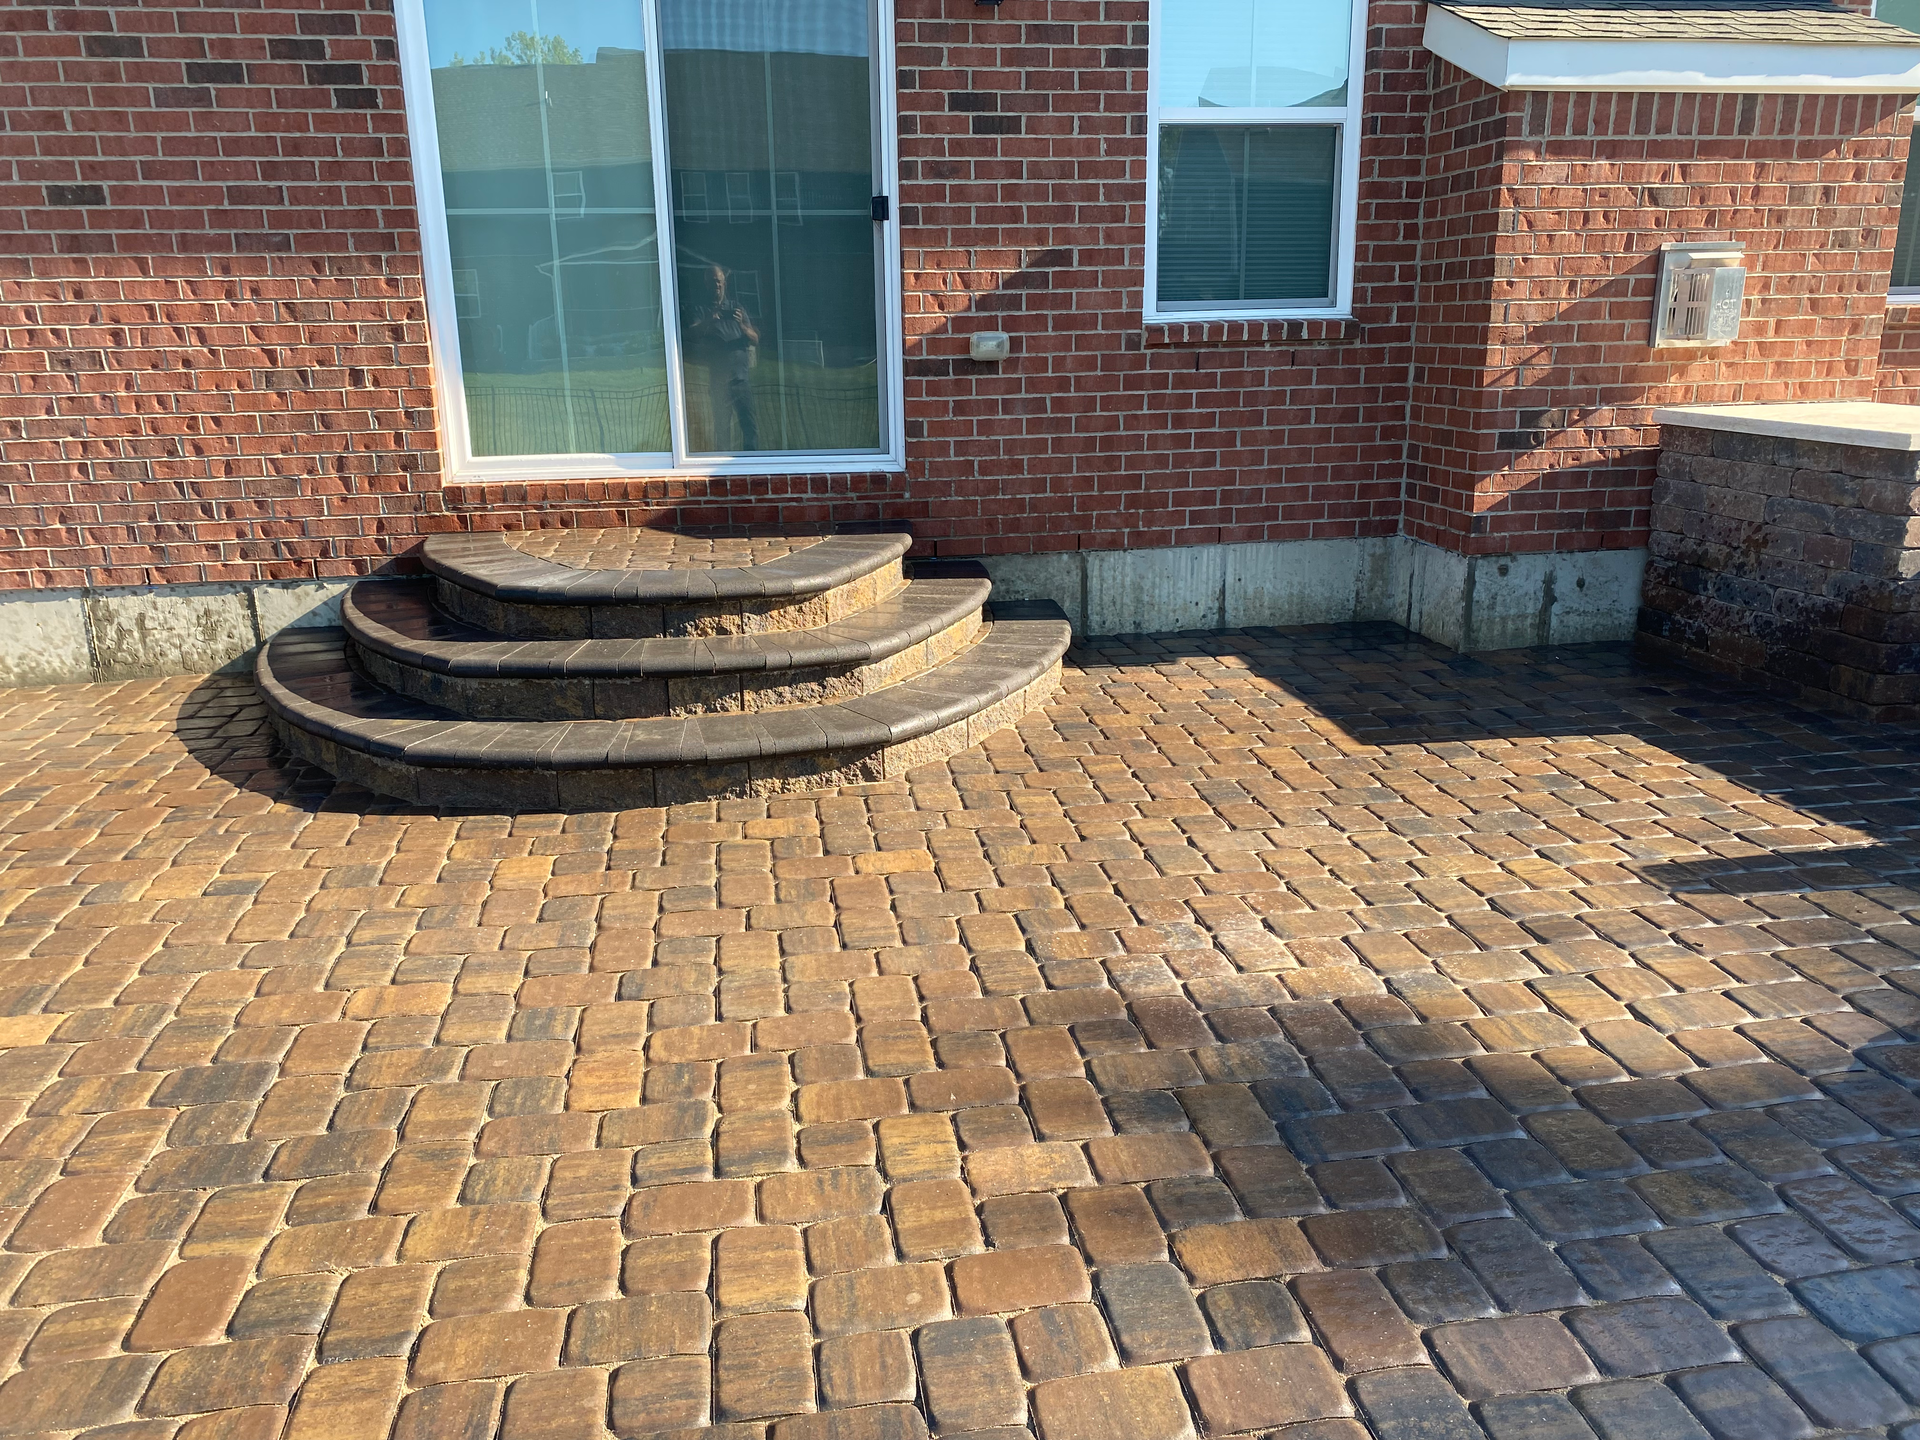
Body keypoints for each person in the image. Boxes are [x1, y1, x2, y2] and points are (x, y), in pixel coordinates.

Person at [684, 263, 759, 450]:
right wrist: (710, 319)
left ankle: (751, 466)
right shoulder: (701, 310)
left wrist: (742, 326)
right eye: (712, 282)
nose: (716, 285)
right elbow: (691, 334)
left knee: (749, 428)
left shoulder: (736, 308)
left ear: (724, 283)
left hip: (741, 381)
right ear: (706, 284)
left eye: (719, 281)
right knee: (722, 430)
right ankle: (724, 472)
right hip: (719, 382)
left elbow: (755, 338)